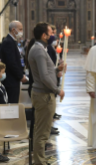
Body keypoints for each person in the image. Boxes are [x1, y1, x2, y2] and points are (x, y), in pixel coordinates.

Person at [28, 23, 65, 165]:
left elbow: (45, 73)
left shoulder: (40, 49)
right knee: (42, 133)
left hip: (43, 94)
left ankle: (40, 160)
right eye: (50, 33)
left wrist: (57, 70)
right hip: (44, 96)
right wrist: (57, 90)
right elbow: (43, 77)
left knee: (41, 130)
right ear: (44, 35)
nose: (52, 36)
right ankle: (39, 162)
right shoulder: (38, 50)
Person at [0, 21, 27, 103]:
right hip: (10, 80)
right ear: (13, 30)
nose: (21, 31)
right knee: (12, 104)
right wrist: (20, 76)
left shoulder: (12, 41)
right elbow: (11, 63)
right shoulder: (8, 42)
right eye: (20, 29)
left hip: (13, 79)